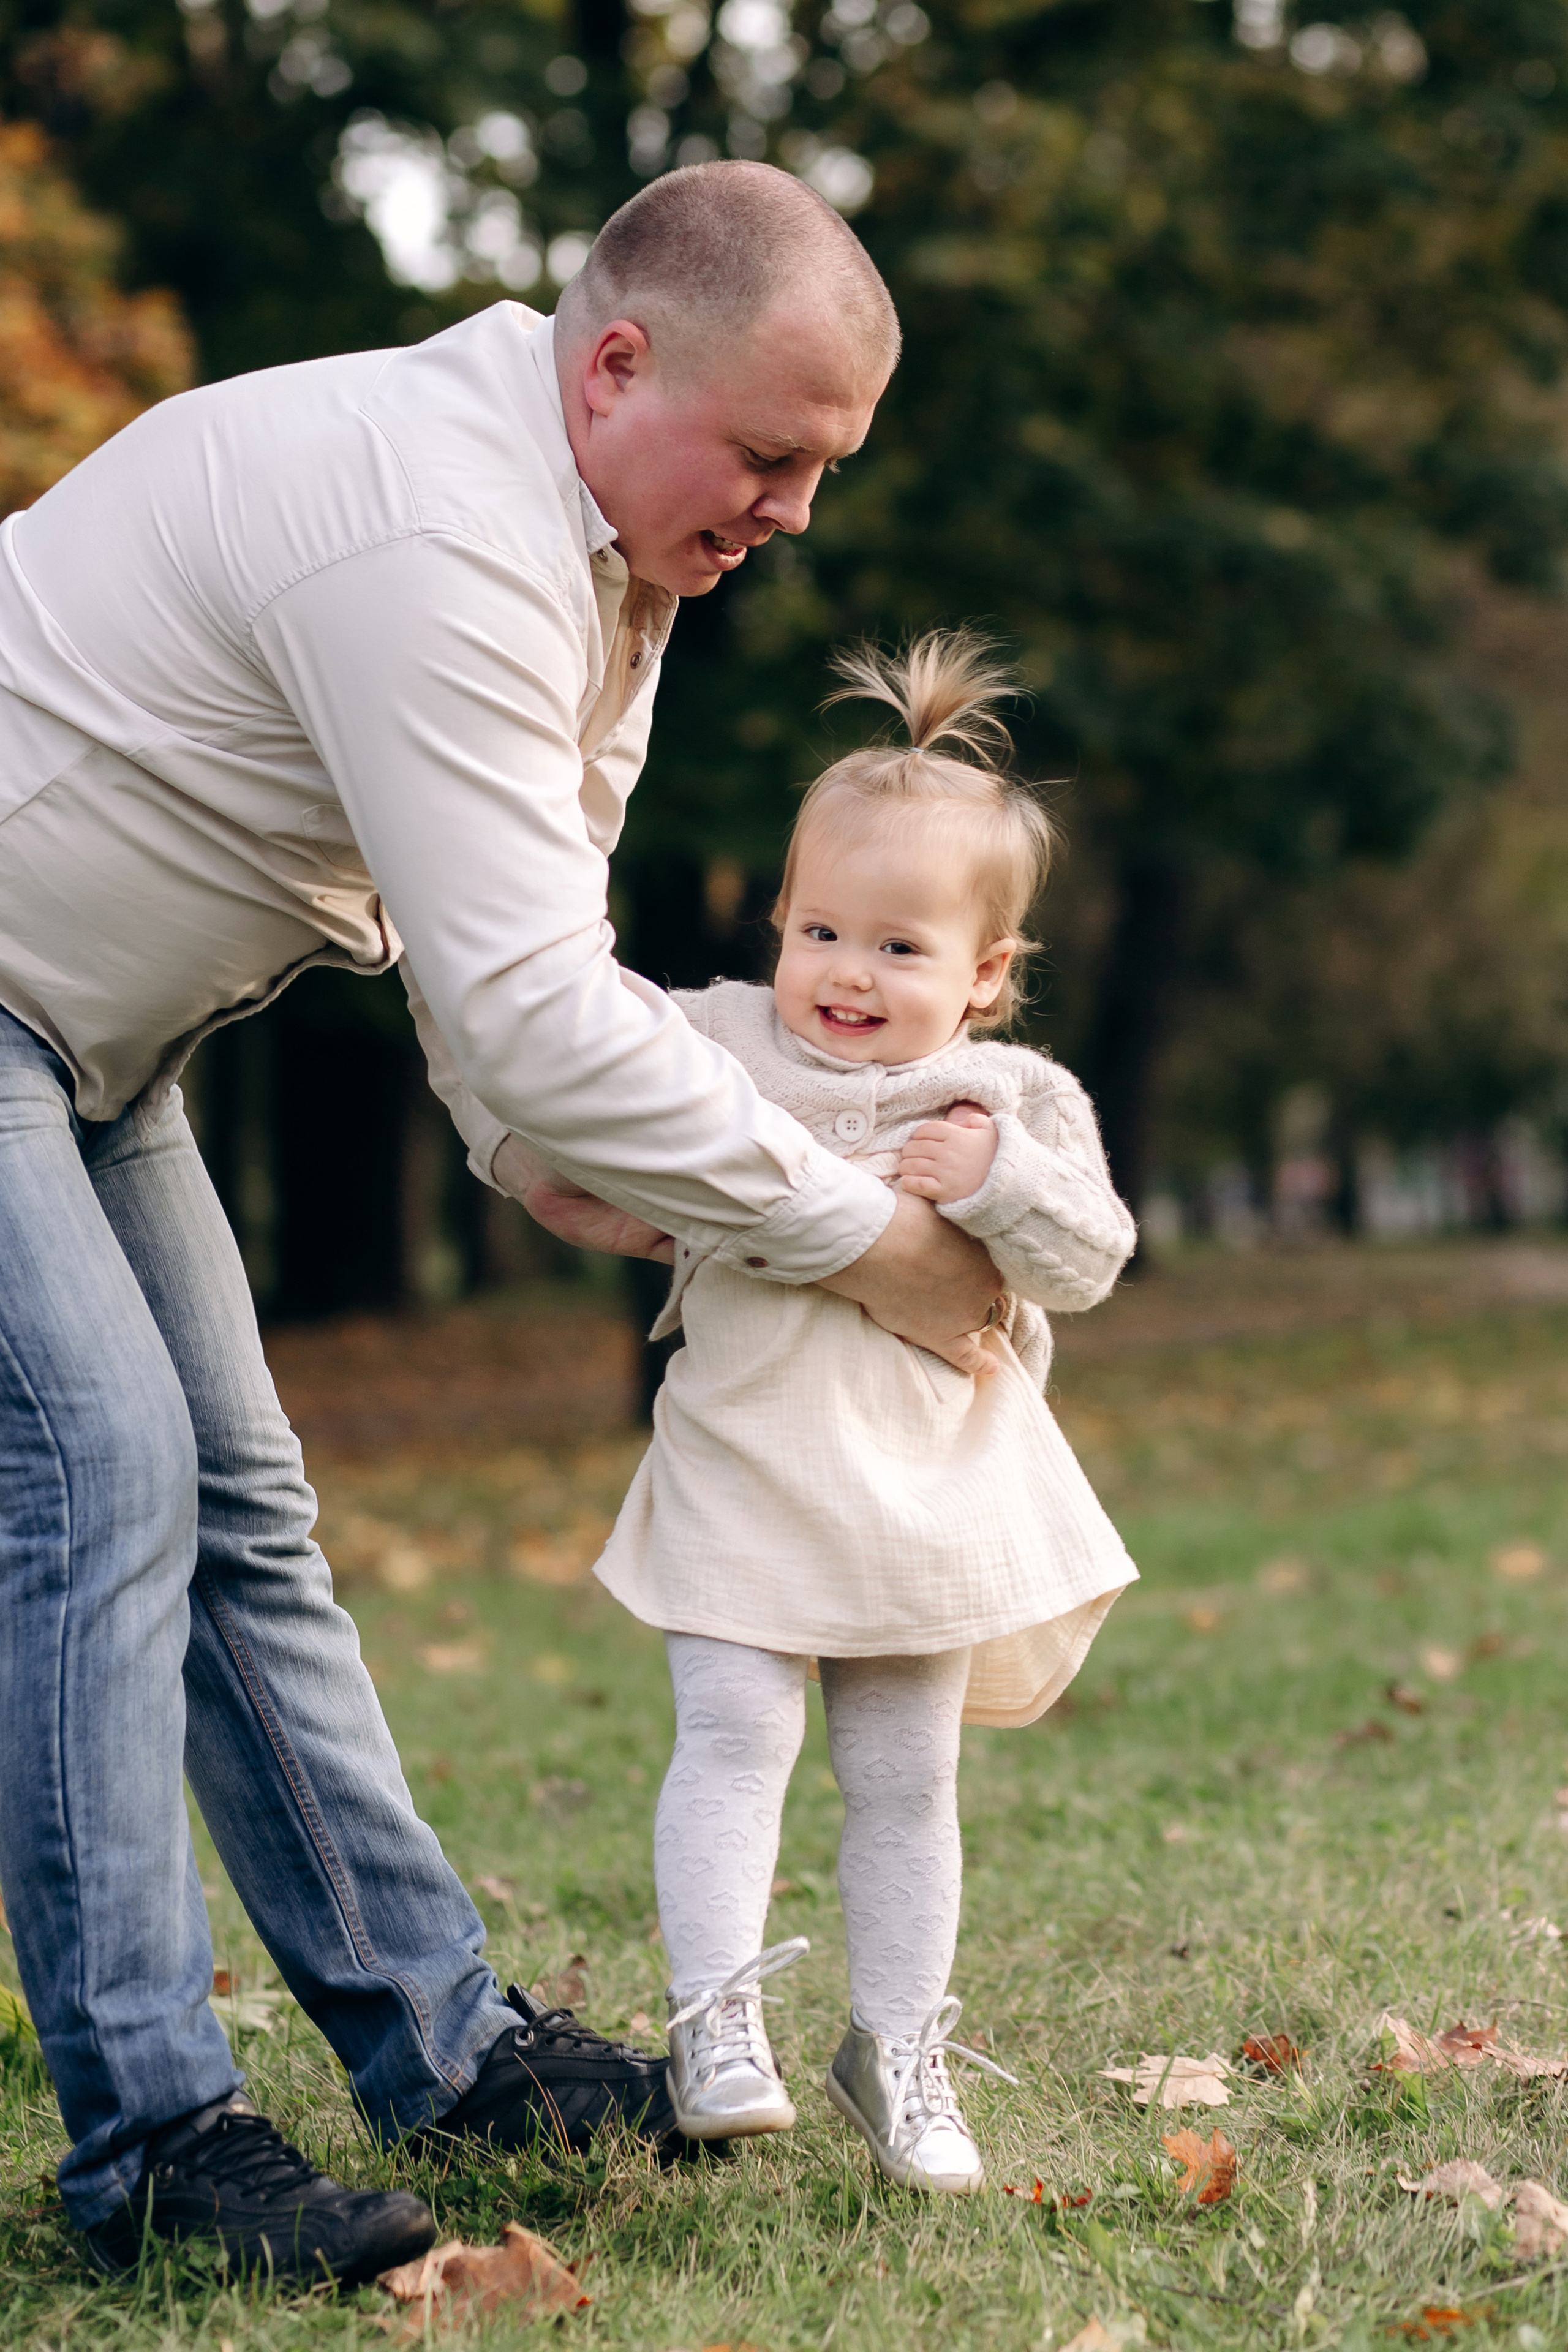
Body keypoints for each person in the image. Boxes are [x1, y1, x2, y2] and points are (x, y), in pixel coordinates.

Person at [0, 162, 1005, 2286]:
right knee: (104, 1483)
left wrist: (516, 1152)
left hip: (93, 1041)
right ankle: (155, 2148)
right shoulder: (440, 531)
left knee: (241, 1504)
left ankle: (446, 2048)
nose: (793, 511)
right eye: (770, 455)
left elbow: (523, 943)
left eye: (824, 469)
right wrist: (856, 1234)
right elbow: (553, 1018)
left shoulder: (609, 555)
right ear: (617, 360)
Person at [589, 633, 1139, 2193]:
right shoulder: (714, 1040)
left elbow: (1091, 1261)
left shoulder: (1010, 1100)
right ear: (774, 922)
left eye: (899, 949)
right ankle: (714, 2019)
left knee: (903, 1774)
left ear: (983, 976)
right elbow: (568, 1038)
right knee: (733, 1730)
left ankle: (894, 2047)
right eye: (818, 928)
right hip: (744, 1458)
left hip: (923, 1485)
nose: (845, 972)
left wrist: (1005, 1187)